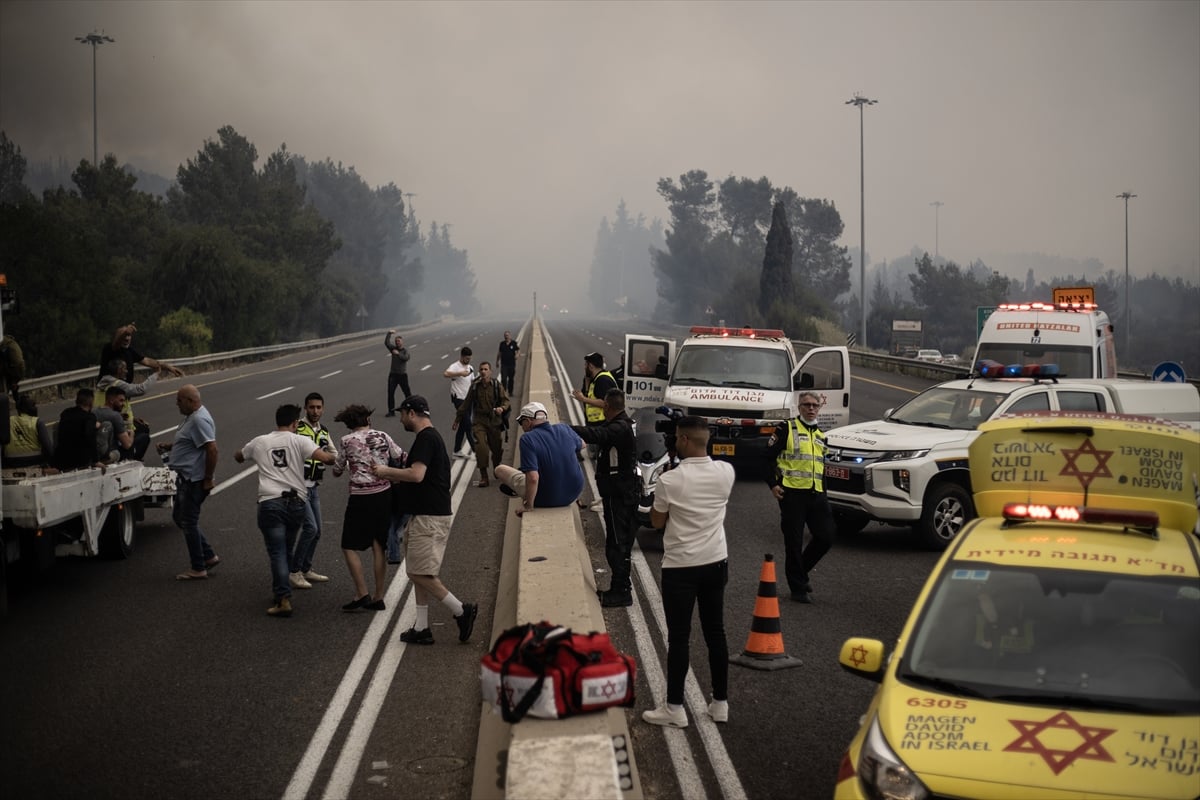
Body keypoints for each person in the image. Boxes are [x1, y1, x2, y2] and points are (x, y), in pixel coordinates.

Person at [642, 415, 735, 728]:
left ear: (682, 439)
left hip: (681, 566)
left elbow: (657, 521)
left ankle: (675, 708)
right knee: (716, 632)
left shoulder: (670, 480)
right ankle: (720, 704)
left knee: (680, 638)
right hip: (716, 561)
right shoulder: (726, 472)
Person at [372, 395, 477, 645]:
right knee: (421, 571)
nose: (400, 419)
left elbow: (417, 474)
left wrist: (385, 472)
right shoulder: (430, 437)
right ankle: (421, 627)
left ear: (411, 413)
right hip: (426, 514)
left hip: (429, 517)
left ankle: (461, 610)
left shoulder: (426, 438)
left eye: (402, 414)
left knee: (418, 573)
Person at [235, 404, 337, 617]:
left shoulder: (260, 441)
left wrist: (244, 454)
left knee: (277, 552)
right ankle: (283, 590)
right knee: (287, 549)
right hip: (296, 502)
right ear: (295, 423)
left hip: (270, 503)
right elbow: (327, 459)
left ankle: (283, 598)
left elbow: (239, 456)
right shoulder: (300, 440)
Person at [330, 403, 405, 612]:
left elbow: (337, 469)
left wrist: (345, 466)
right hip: (384, 495)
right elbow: (400, 456)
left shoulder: (346, 441)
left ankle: (362, 593)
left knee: (348, 544)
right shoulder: (383, 435)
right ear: (368, 420)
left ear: (349, 424)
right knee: (378, 545)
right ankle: (379, 596)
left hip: (360, 497)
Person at [765, 390, 835, 603]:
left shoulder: (821, 435)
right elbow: (766, 458)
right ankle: (798, 589)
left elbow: (820, 467)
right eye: (806, 405)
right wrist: (773, 485)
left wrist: (824, 492)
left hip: (816, 494)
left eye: (815, 405)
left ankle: (800, 573)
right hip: (792, 494)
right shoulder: (786, 428)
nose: (811, 408)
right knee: (793, 542)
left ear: (819, 408)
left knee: (826, 537)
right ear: (799, 407)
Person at [572, 388, 639, 607]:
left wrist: (566, 429)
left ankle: (621, 592)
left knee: (617, 546)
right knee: (617, 544)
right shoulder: (621, 423)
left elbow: (597, 435)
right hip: (619, 494)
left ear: (607, 406)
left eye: (603, 404)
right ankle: (619, 589)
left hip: (620, 496)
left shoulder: (620, 427)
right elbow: (599, 431)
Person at [161, 384, 220, 581]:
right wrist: (172, 446)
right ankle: (208, 556)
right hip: (187, 478)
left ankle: (198, 567)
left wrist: (208, 479)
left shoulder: (198, 419)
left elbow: (212, 449)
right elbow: (193, 442)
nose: (176, 404)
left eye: (179, 400)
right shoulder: (192, 417)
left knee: (188, 521)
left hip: (195, 480)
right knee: (180, 517)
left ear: (190, 401)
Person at [494, 401, 584, 516]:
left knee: (499, 469)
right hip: (573, 494)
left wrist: (528, 505)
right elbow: (582, 444)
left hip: (545, 497)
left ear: (528, 421)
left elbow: (533, 478)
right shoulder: (564, 428)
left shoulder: (527, 439)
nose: (521, 426)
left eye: (521, 422)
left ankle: (518, 491)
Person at [293, 392, 337, 588]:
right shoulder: (297, 428)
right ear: (305, 408)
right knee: (310, 528)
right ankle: (294, 571)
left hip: (313, 487)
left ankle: (305, 568)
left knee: (317, 531)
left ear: (323, 409)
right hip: (298, 488)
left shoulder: (323, 431)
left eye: (319, 407)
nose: (315, 411)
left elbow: (334, 454)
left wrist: (333, 459)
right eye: (312, 407)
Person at [452, 360, 509, 488]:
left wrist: (502, 408)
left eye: (485, 369)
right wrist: (457, 420)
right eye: (481, 369)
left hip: (494, 421)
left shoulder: (496, 385)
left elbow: (506, 401)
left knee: (497, 449)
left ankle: (497, 467)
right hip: (479, 421)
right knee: (481, 448)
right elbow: (466, 404)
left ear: (490, 371)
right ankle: (484, 476)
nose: (483, 372)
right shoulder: (475, 387)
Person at [97, 323, 183, 381]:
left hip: (122, 395)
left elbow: (148, 361)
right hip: (107, 394)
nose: (126, 338)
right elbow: (116, 343)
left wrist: (170, 368)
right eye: (124, 336)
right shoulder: (109, 348)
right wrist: (125, 332)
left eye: (129, 335)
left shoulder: (130, 351)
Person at [52, 388, 103, 472]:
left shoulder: (66, 413)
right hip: (80, 461)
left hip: (61, 459)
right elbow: (90, 437)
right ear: (91, 403)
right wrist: (96, 460)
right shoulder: (89, 417)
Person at [3, 393, 54, 468]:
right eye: (33, 405)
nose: (36, 408)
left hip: (11, 463)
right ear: (28, 409)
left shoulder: (8, 421)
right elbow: (48, 448)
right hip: (35, 462)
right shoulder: (37, 422)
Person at [93, 385, 142, 461]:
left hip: (95, 452)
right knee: (143, 438)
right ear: (111, 400)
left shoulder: (94, 412)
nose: (123, 404)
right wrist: (132, 433)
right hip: (111, 453)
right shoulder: (115, 416)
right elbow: (127, 445)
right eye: (121, 400)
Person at [443, 346, 476, 457]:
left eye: (470, 358)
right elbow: (445, 374)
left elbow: (472, 382)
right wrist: (460, 373)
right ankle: (476, 451)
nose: (468, 360)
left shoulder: (470, 367)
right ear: (462, 356)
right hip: (458, 399)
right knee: (468, 424)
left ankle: (456, 450)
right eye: (466, 358)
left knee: (463, 425)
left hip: (468, 399)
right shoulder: (455, 366)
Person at [383, 330, 412, 416]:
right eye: (396, 341)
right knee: (390, 393)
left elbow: (406, 358)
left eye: (398, 341)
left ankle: (411, 409)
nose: (397, 342)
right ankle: (391, 411)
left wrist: (398, 354)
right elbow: (387, 343)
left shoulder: (405, 351)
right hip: (393, 375)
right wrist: (389, 333)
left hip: (402, 375)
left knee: (407, 393)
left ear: (402, 342)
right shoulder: (393, 349)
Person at [496, 330, 519, 396]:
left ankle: (510, 392)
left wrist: (517, 355)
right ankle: (504, 391)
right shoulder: (502, 344)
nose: (506, 337)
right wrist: (497, 361)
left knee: (511, 379)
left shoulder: (513, 343)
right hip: (504, 364)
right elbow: (499, 353)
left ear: (510, 336)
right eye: (505, 336)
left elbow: (518, 350)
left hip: (511, 364)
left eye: (507, 335)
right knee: (504, 379)